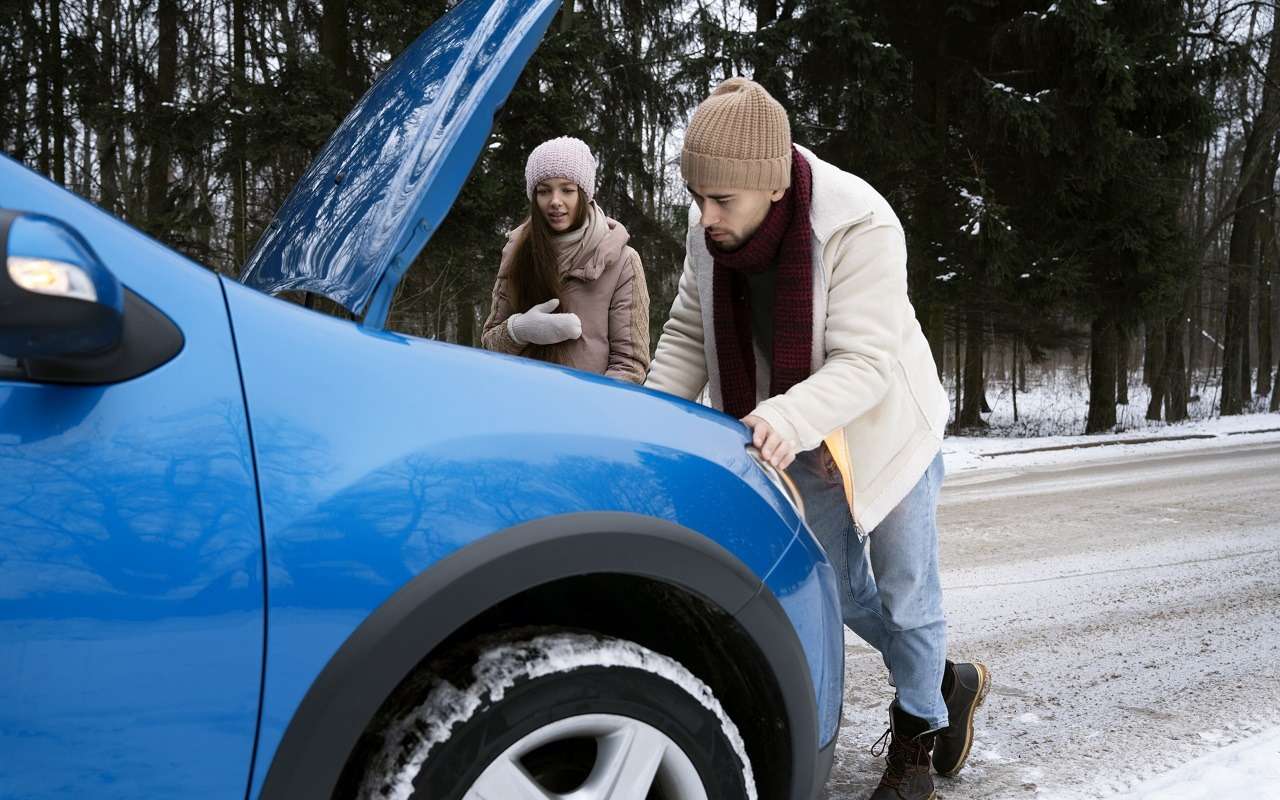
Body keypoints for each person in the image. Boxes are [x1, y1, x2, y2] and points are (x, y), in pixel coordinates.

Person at [644, 78, 990, 800]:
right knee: (838, 593)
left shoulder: (861, 222)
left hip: (881, 429)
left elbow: (867, 362)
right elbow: (687, 331)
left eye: (720, 202)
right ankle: (947, 681)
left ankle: (919, 735)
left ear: (770, 187)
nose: (705, 216)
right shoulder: (710, 226)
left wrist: (781, 417)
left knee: (905, 598)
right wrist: (644, 425)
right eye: (697, 198)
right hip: (794, 432)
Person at [481, 136, 650, 384]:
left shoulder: (623, 262)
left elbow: (630, 364)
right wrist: (517, 330)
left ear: (584, 194)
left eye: (567, 190)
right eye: (544, 191)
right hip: (521, 406)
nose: (555, 201)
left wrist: (585, 408)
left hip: (587, 414)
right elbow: (489, 344)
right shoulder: (516, 253)